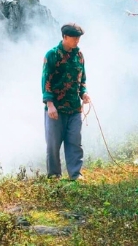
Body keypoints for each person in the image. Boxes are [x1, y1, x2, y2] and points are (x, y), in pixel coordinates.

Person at [41, 22, 91, 180]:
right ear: (65, 37)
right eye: (74, 38)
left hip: (74, 108)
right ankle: (54, 175)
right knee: (53, 144)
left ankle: (75, 174)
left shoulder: (79, 56)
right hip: (56, 108)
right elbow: (46, 81)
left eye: (79, 38)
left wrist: (84, 93)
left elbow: (82, 79)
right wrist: (50, 105)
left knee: (75, 142)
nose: (77, 41)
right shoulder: (52, 55)